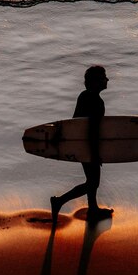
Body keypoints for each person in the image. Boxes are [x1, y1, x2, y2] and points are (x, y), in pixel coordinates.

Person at [50, 65, 114, 223]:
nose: (107, 79)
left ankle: (93, 209)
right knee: (93, 181)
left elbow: (74, 122)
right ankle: (59, 201)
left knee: (92, 181)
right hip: (87, 146)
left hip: (78, 144)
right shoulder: (97, 102)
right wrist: (94, 153)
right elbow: (92, 131)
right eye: (104, 77)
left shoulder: (84, 96)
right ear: (96, 81)